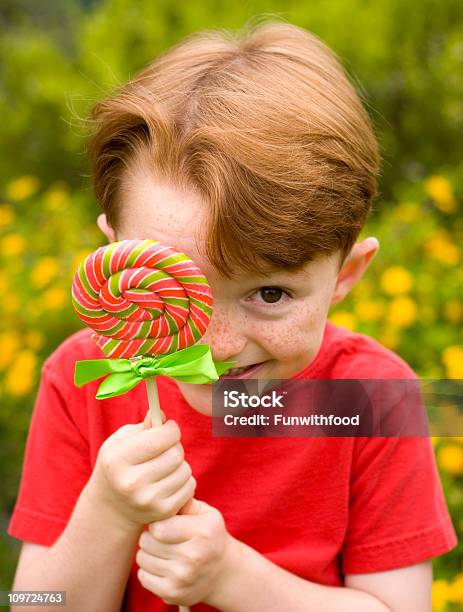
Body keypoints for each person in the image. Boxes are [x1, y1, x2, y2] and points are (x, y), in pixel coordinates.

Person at [8, 18, 456, 611]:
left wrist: (232, 577)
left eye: (269, 294)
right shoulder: (79, 379)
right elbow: (35, 603)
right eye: (174, 282)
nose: (214, 346)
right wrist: (107, 514)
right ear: (116, 258)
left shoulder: (373, 398)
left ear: (346, 275)